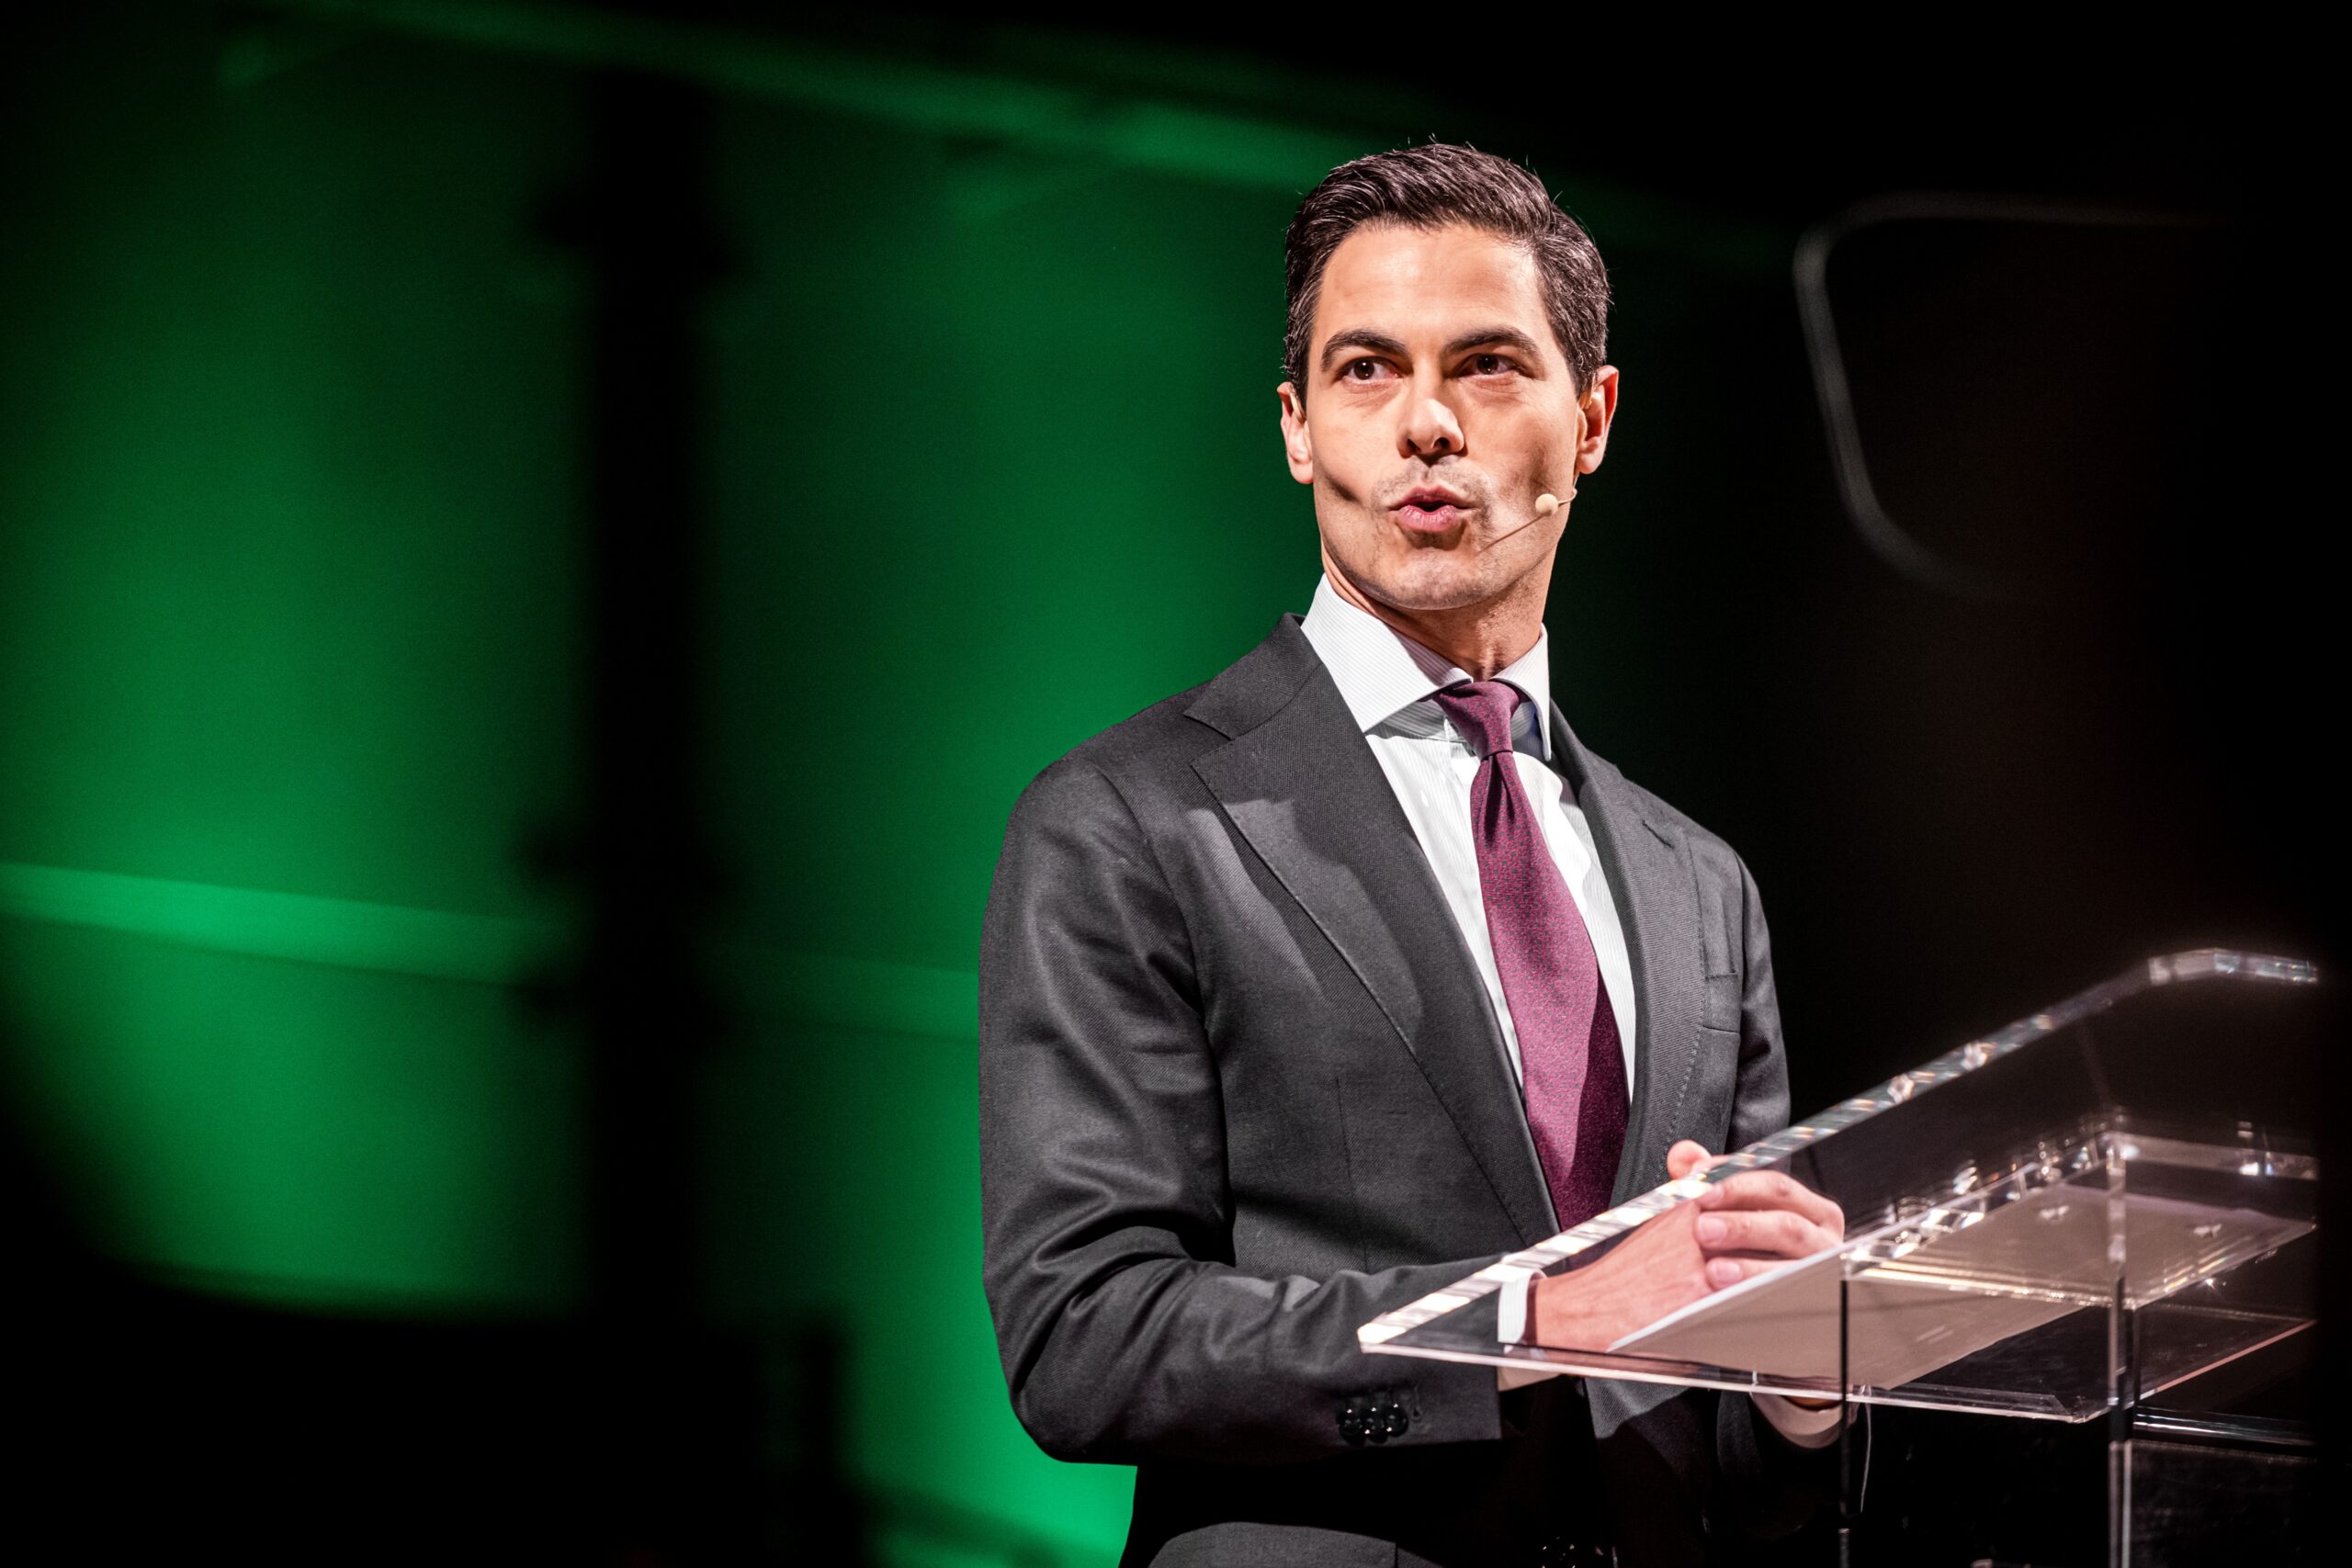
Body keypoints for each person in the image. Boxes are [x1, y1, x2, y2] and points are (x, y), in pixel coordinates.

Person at [978, 143, 1846, 1568]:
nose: (1426, 421)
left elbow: (1715, 1425)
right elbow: (1086, 1335)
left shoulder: (1703, 885)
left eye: (1491, 365)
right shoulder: (1128, 818)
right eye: (1367, 370)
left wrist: (1807, 1381)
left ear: (1593, 421)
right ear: (1298, 429)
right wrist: (1523, 1318)